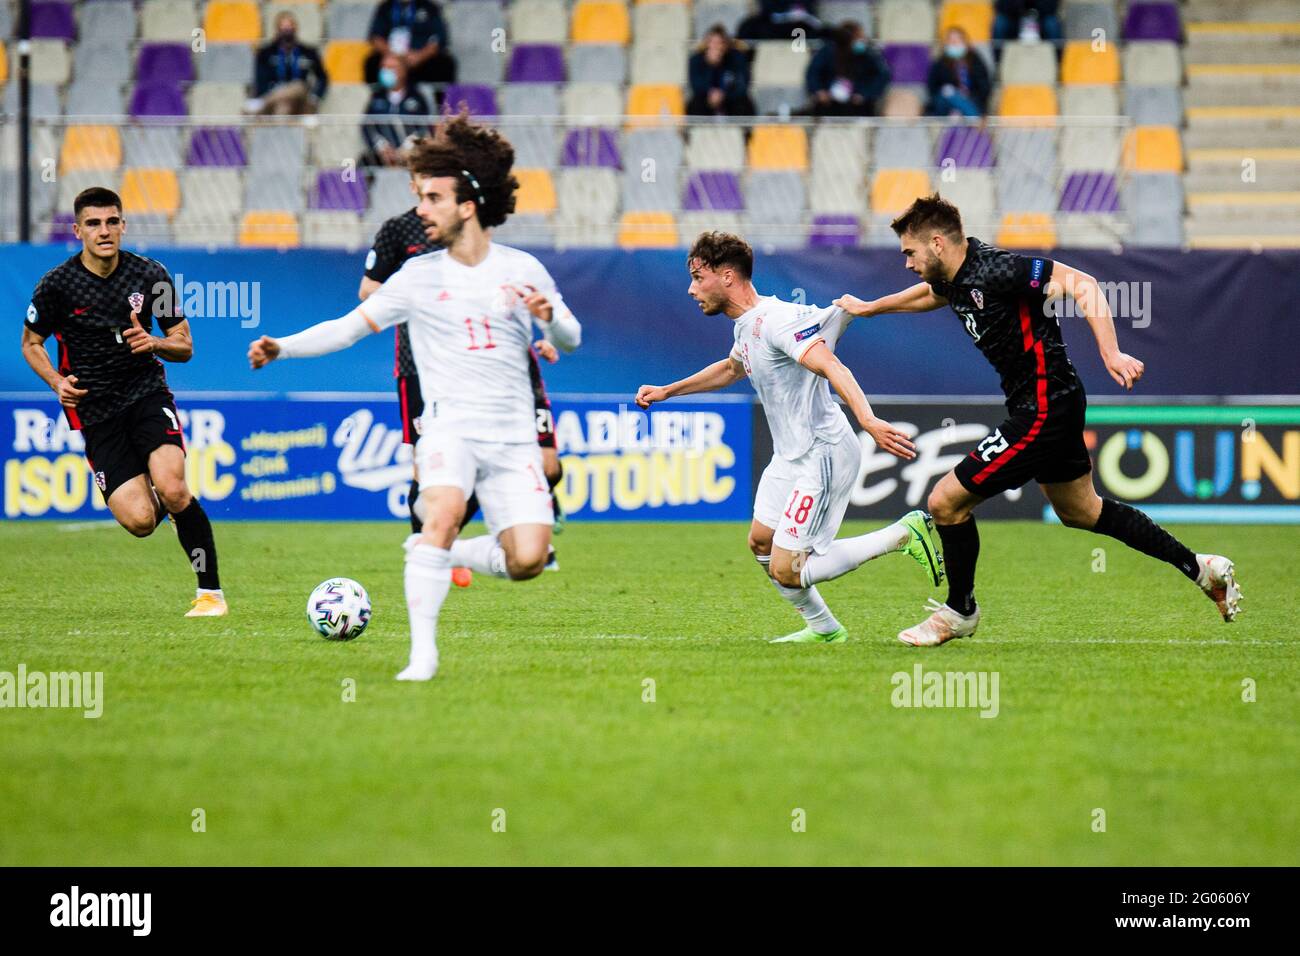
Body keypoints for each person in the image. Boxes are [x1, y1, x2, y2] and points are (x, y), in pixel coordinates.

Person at [249, 115, 582, 681]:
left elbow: (571, 339)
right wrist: (282, 346)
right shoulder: (416, 276)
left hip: (513, 438)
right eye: (420, 197)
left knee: (526, 559)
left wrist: (549, 320)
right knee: (443, 512)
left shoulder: (523, 269)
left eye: (433, 197)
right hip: (448, 428)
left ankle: (439, 555)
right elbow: (348, 327)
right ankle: (422, 656)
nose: (421, 209)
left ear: (468, 204)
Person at [834, 195, 1241, 646]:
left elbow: (1082, 284)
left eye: (910, 252)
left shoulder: (998, 269)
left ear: (936, 243)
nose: (907, 263)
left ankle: (960, 610)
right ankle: (1201, 569)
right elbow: (931, 295)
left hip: (1044, 409)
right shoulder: (951, 276)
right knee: (1081, 511)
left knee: (945, 502)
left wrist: (1111, 352)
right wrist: (872, 307)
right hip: (1051, 405)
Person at [635, 232, 943, 645]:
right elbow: (731, 369)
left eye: (697, 277)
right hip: (790, 456)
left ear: (727, 277)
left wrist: (867, 420)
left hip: (823, 451)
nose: (691, 289)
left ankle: (904, 534)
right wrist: (669, 391)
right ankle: (825, 629)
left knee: (788, 568)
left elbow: (831, 366)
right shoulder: (748, 326)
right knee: (761, 542)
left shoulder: (777, 322)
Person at [20, 187, 227, 617]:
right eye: (94, 223)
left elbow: (184, 344)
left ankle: (210, 595)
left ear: (123, 225)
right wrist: (56, 381)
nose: (104, 231)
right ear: (77, 230)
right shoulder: (56, 286)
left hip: (145, 393)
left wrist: (153, 341)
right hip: (95, 411)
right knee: (140, 522)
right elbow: (31, 343)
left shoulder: (150, 275)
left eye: (112, 221)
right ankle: (169, 508)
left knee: (173, 486)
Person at [358, 156, 567, 573]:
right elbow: (369, 291)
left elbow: (504, 292)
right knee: (430, 467)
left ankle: (473, 533)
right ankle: (432, 544)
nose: (426, 194)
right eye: (421, 182)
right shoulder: (400, 230)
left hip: (498, 364)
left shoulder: (471, 230)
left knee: (550, 466)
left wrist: (539, 333)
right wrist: (415, 306)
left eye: (436, 186)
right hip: (422, 366)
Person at [804, 21, 891, 118]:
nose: (862, 40)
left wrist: (865, 94)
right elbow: (813, 72)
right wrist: (819, 91)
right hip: (830, 103)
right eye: (858, 38)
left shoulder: (868, 54)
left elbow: (883, 74)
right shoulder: (827, 51)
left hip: (857, 103)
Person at [252, 11, 327, 115]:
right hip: (275, 99)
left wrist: (316, 96)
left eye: (290, 26)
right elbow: (260, 79)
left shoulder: (309, 52)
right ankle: (281, 126)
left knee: (298, 86)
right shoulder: (266, 53)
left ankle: (261, 104)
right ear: (277, 29)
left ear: (296, 27)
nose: (287, 30)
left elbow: (323, 77)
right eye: (283, 27)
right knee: (283, 107)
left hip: (301, 99)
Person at [365, 0, 456, 87]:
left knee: (445, 64)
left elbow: (438, 38)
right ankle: (379, 99)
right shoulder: (385, 8)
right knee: (372, 63)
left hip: (420, 58)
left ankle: (440, 102)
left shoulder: (429, 7)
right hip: (392, 56)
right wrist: (392, 56)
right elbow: (376, 37)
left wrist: (420, 56)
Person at [362, 53, 431, 167]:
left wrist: (407, 147)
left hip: (412, 155)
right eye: (384, 67)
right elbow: (367, 126)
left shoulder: (417, 97)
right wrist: (382, 147)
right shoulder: (376, 97)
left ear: (403, 71)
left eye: (391, 67)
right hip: (381, 157)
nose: (386, 71)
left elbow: (424, 126)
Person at [687, 26, 755, 117]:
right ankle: (694, 131)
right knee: (694, 105)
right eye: (712, 42)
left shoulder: (738, 58)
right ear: (707, 44)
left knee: (743, 104)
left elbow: (743, 85)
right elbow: (696, 85)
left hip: (731, 98)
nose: (716, 47)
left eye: (719, 43)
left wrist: (724, 94)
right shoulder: (696, 59)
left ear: (726, 44)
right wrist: (711, 66)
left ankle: (744, 131)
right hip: (706, 98)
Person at [926, 26, 991, 118]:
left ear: (965, 42)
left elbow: (984, 86)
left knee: (959, 101)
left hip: (971, 99)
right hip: (945, 104)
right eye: (951, 40)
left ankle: (964, 113)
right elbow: (932, 88)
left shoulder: (975, 59)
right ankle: (974, 118)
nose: (954, 43)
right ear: (946, 43)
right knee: (949, 92)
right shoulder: (940, 62)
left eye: (957, 39)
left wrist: (966, 96)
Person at [738, 1, 824, 42]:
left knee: (823, 33)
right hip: (773, 24)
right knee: (747, 27)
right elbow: (767, 11)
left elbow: (809, 12)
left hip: (800, 25)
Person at [994, 0, 1063, 48]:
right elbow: (1002, 7)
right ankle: (998, 60)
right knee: (1000, 23)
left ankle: (1057, 61)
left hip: (1042, 17)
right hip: (1013, 17)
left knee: (1052, 24)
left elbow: (1052, 8)